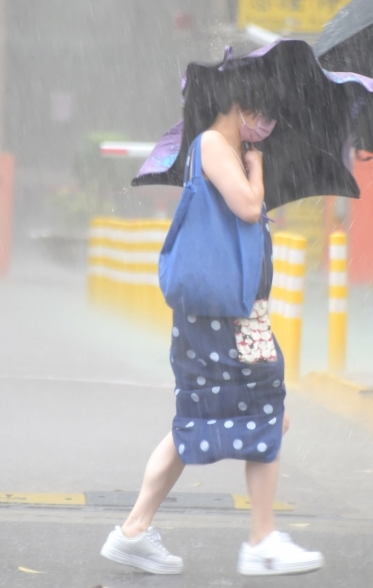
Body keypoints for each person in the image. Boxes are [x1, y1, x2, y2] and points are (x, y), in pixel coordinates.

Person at [99, 74, 324, 577]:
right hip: (229, 316)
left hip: (227, 313)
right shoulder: (214, 145)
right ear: (240, 105)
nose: (263, 127)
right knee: (266, 410)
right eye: (261, 115)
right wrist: (259, 171)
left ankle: (134, 530)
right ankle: (262, 540)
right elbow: (246, 206)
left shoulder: (219, 148)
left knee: (204, 416)